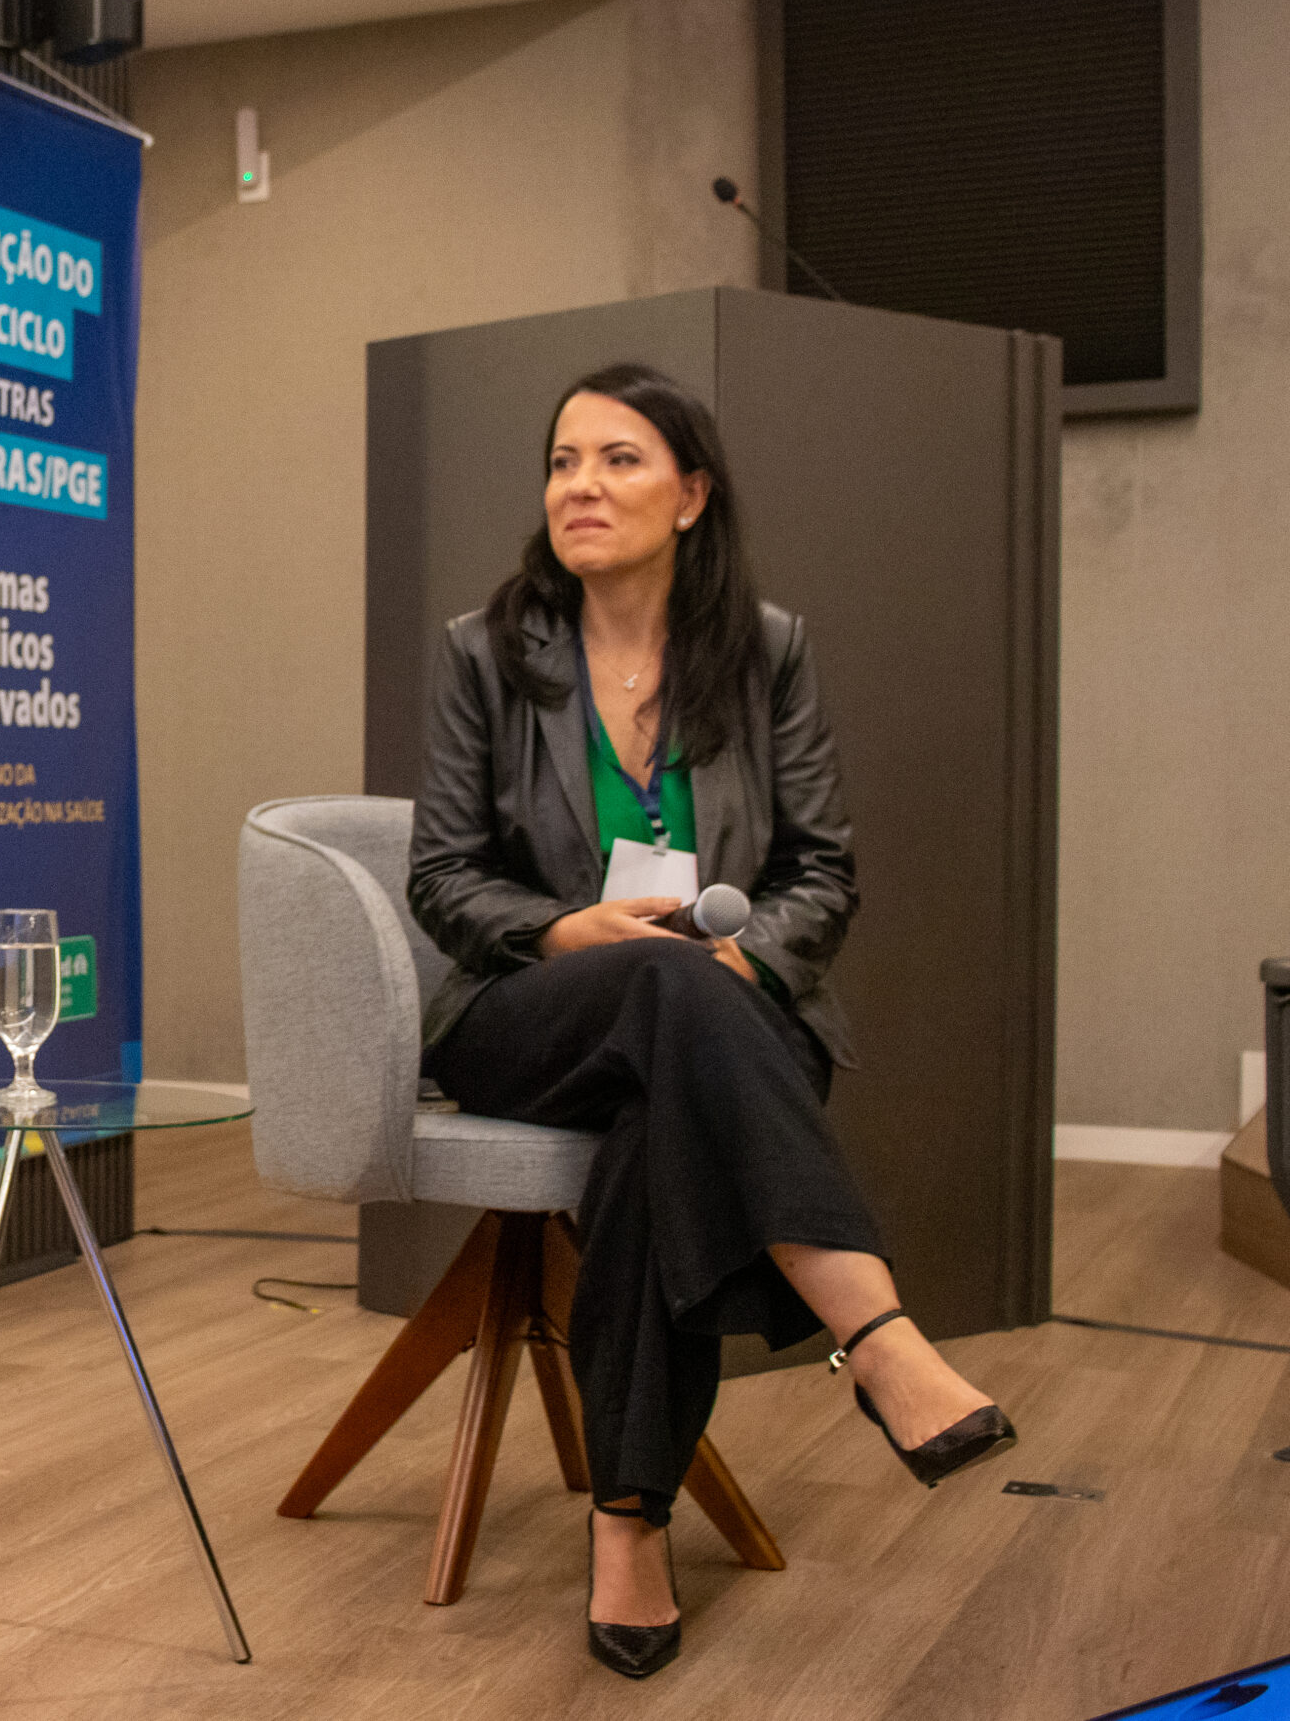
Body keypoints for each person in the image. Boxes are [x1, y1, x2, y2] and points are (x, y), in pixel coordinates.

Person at [408, 363, 1016, 1681]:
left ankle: (628, 1522)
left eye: (618, 459)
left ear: (690, 495)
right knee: (663, 986)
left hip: (722, 1012)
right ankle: (875, 1333)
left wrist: (749, 956)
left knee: (659, 1114)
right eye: (563, 460)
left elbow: (823, 874)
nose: (581, 485)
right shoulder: (485, 653)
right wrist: (562, 929)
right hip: (531, 1012)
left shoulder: (767, 650)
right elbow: (442, 877)